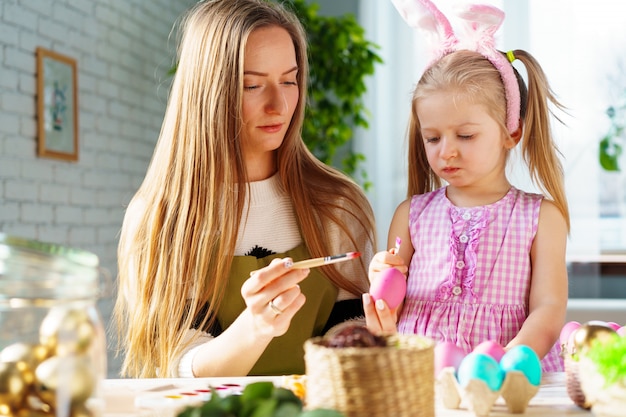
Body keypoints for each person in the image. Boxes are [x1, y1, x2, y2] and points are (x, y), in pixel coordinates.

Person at [113, 0, 376, 378]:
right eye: (252, 85)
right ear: (207, 94)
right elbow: (182, 367)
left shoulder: (339, 205)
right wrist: (255, 328)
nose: (280, 104)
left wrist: (375, 332)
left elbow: (351, 332)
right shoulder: (162, 217)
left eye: (290, 80)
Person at [363, 0, 569, 372]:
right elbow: (391, 314)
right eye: (432, 138)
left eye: (466, 135)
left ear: (512, 131)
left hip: (506, 380)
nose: (447, 152)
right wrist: (383, 282)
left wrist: (502, 365)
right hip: (422, 377)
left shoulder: (541, 217)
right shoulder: (411, 215)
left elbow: (549, 309)